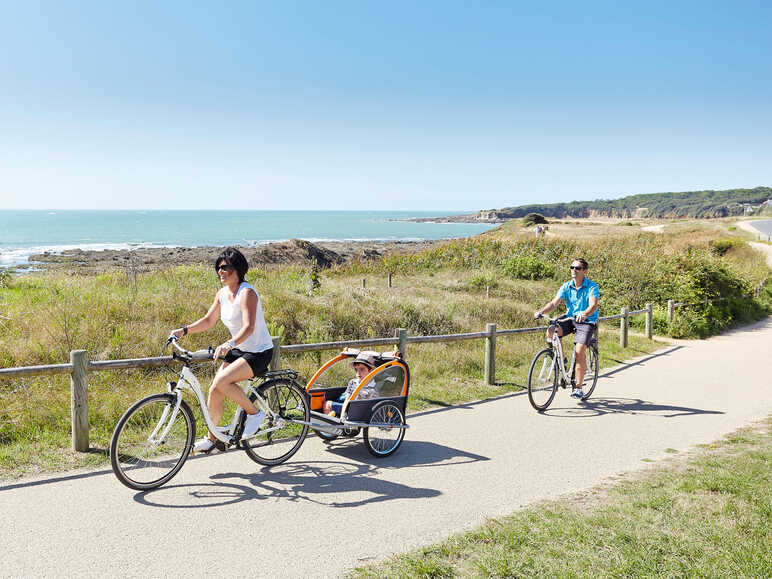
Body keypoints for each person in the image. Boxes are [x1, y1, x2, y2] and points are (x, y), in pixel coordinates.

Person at [170, 247, 274, 453]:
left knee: (222, 381)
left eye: (225, 267)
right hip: (240, 348)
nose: (220, 271)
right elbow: (209, 320)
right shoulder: (222, 294)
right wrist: (184, 330)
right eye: (218, 267)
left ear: (237, 269)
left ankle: (254, 414)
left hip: (258, 351)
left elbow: (249, 327)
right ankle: (213, 438)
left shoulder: (247, 293)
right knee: (215, 389)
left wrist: (229, 344)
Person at [534, 257, 600, 399]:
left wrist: (585, 314)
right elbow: (553, 303)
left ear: (584, 271)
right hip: (570, 318)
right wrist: (541, 312)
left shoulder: (592, 286)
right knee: (551, 330)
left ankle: (578, 387)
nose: (574, 270)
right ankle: (561, 359)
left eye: (577, 268)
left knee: (579, 351)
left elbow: (593, 305)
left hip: (586, 321)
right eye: (572, 267)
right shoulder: (567, 286)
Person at [323, 351, 378, 416]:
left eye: (362, 369)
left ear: (371, 371)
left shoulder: (374, 386)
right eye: (356, 370)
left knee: (328, 404)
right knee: (333, 401)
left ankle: (333, 422)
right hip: (350, 408)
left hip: (359, 412)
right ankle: (335, 420)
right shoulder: (353, 382)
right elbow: (347, 400)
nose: (358, 373)